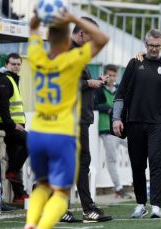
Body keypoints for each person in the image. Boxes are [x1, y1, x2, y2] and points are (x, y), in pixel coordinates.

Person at [24, 10, 109, 229]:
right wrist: (74, 18)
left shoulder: (40, 57)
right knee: (74, 168)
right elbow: (102, 40)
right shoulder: (70, 56)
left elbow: (33, 34)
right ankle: (82, 209)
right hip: (66, 125)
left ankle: (36, 218)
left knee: (47, 177)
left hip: (41, 127)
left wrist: (35, 24)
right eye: (88, 33)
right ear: (79, 34)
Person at [113, 29, 161, 219]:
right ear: (145, 44)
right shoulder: (135, 63)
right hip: (134, 122)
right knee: (137, 165)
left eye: (157, 46)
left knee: (156, 163)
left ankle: (156, 205)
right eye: (151, 46)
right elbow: (121, 92)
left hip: (158, 123)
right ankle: (140, 204)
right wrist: (117, 118)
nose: (154, 49)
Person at [61, 16, 112, 224]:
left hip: (79, 118)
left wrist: (94, 83)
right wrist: (87, 83)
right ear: (82, 33)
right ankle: (81, 208)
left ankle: (83, 207)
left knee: (79, 162)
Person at [94, 64, 131, 199]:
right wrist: (109, 109)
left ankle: (139, 182)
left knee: (137, 148)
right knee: (112, 160)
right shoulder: (99, 88)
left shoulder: (119, 89)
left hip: (121, 128)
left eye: (114, 75)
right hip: (106, 129)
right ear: (105, 75)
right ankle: (118, 188)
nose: (112, 78)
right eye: (109, 75)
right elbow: (94, 104)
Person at [0, 53, 28, 204]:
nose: (16, 66)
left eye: (18, 64)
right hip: (8, 127)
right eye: (13, 64)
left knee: (15, 157)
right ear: (6, 64)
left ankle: (18, 195)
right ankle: (12, 172)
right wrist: (12, 124)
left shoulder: (12, 79)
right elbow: (3, 106)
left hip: (15, 126)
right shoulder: (5, 80)